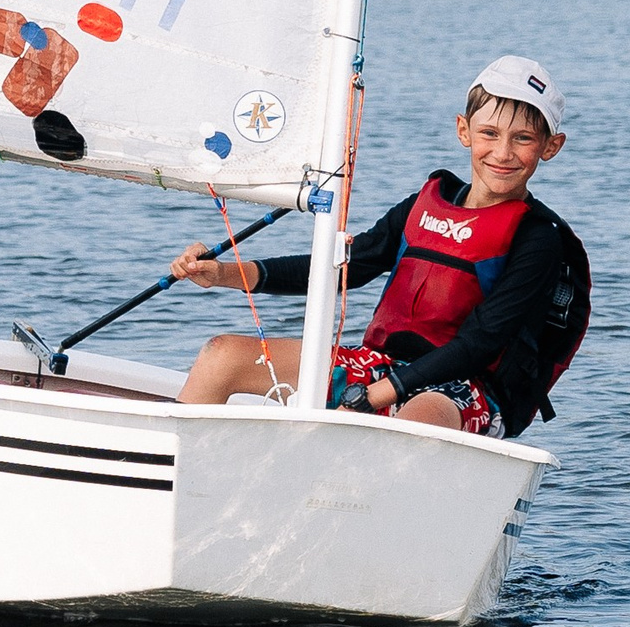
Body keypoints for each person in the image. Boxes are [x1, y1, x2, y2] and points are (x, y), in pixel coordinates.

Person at [173, 56, 589, 439]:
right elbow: (344, 268)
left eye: (523, 139)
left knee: (418, 421)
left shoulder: (539, 239)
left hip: (464, 388)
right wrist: (224, 274)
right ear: (463, 130)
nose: (502, 152)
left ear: (550, 147)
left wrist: (373, 397)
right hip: (380, 367)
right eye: (489, 133)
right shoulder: (426, 204)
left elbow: (480, 342)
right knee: (221, 354)